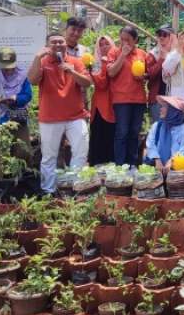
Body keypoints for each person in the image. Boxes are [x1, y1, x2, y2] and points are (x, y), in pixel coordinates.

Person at [27, 33, 92, 195]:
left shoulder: (76, 62)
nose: (58, 44)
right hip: (50, 118)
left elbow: (88, 83)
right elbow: (32, 80)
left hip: (75, 116)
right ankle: (48, 191)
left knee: (81, 151)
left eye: (60, 41)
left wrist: (72, 72)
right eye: (53, 42)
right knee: (49, 156)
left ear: (65, 44)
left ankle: (75, 188)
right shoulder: (42, 62)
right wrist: (37, 57)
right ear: (48, 46)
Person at [107, 25, 153, 166]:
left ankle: (132, 163)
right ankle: (120, 165)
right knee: (122, 133)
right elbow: (111, 72)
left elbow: (148, 74)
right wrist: (123, 55)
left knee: (134, 132)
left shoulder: (142, 54)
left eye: (128, 40)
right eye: (122, 40)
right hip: (121, 99)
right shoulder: (114, 52)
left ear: (135, 40)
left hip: (138, 99)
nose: (124, 43)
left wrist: (143, 76)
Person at [0, 47, 33, 148]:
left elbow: (28, 95)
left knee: (22, 150)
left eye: (10, 67)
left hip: (17, 118)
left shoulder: (22, 76)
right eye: (5, 68)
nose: (8, 70)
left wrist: (16, 98)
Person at [88, 35, 116, 165]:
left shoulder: (117, 58)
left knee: (112, 134)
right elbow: (101, 84)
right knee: (98, 133)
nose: (104, 47)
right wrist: (104, 64)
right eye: (101, 44)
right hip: (100, 103)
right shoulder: (94, 63)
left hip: (114, 101)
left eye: (107, 44)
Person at [144, 95, 184, 172]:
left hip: (175, 168)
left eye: (164, 107)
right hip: (155, 166)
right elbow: (150, 144)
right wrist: (157, 160)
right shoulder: (157, 125)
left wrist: (171, 161)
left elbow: (183, 149)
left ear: (173, 111)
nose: (160, 109)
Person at [147, 25, 174, 123]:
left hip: (174, 98)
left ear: (172, 37)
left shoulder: (178, 53)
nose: (161, 37)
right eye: (159, 35)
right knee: (158, 128)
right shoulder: (153, 54)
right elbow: (150, 74)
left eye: (165, 34)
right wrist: (161, 59)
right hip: (157, 98)